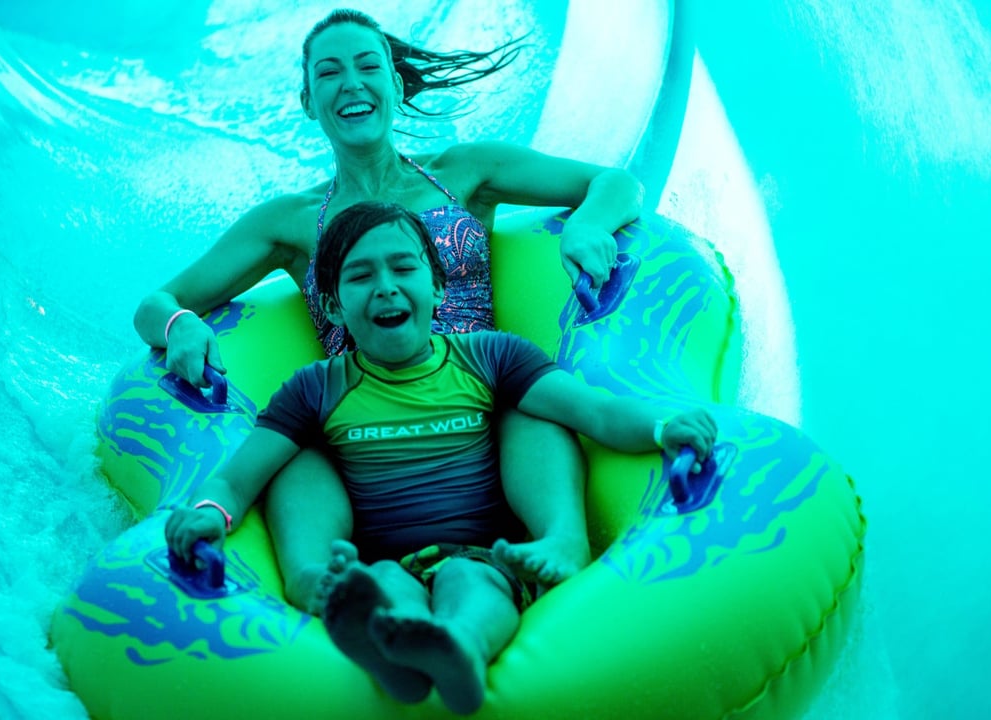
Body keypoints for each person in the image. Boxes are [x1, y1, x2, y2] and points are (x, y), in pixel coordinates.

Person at [135, 8, 645, 612]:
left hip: (480, 402)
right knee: (298, 449)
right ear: (308, 100)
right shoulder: (293, 221)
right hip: (367, 436)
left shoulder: (465, 172)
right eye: (329, 73)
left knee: (527, 401)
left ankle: (559, 542)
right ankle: (319, 585)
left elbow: (617, 183)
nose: (350, 82)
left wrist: (588, 225)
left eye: (367, 65)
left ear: (395, 85)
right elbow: (155, 303)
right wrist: (180, 323)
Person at [166, 202, 717, 715]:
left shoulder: (491, 356)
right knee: (367, 559)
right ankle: (390, 640)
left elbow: (596, 413)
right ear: (332, 304)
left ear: (437, 283)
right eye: (360, 276)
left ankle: (462, 645)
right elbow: (239, 479)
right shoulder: (316, 388)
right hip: (383, 560)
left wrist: (664, 426)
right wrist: (210, 513)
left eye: (404, 268)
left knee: (474, 569)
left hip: (489, 553)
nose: (386, 288)